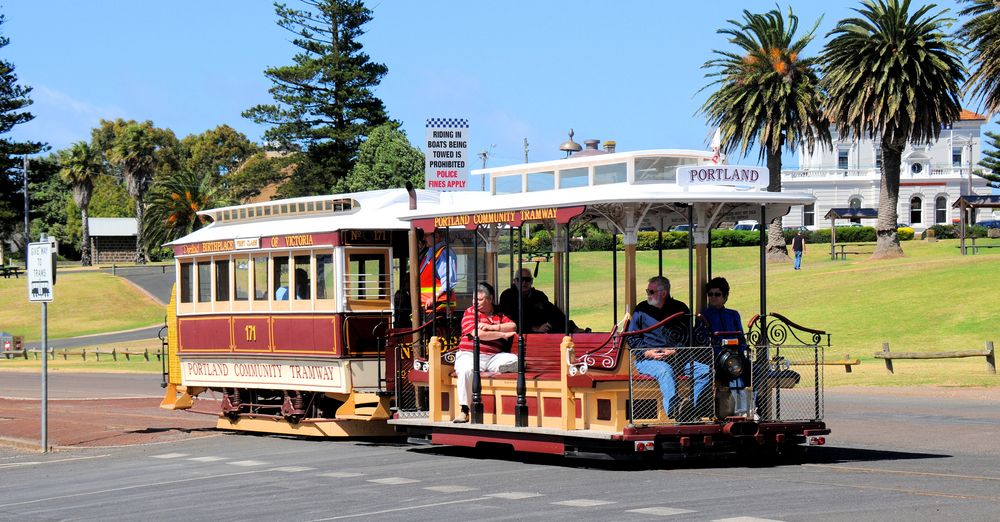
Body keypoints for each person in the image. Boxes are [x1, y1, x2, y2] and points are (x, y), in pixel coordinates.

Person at [626, 275, 710, 419]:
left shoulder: (680, 308)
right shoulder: (642, 309)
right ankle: (675, 409)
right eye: (647, 291)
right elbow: (631, 337)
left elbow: (689, 337)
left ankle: (691, 410)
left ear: (663, 293)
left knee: (705, 370)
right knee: (665, 369)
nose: (648, 294)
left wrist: (674, 350)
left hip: (677, 359)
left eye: (651, 292)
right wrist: (648, 352)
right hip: (648, 360)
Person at [453, 282, 518, 423]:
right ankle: (464, 409)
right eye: (474, 299)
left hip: (493, 357)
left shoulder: (499, 314)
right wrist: (502, 335)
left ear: (490, 299)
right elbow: (478, 334)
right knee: (465, 370)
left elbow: (513, 326)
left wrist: (493, 327)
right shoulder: (470, 312)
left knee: (515, 360)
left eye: (480, 300)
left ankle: (496, 368)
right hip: (470, 355)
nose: (475, 302)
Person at [700, 277, 749, 416]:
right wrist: (722, 354)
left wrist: (741, 351)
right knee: (732, 369)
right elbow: (702, 340)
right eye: (710, 294)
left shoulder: (733, 315)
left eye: (717, 294)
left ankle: (751, 407)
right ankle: (740, 409)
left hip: (735, 356)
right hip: (717, 357)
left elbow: (741, 339)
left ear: (725, 297)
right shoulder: (704, 316)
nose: (713, 297)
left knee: (753, 369)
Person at [498, 268, 587, 334]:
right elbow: (509, 320)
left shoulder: (539, 296)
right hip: (520, 336)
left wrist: (572, 327)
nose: (524, 283)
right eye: (520, 279)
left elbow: (554, 313)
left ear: (532, 281)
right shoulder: (507, 296)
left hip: (542, 333)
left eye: (527, 280)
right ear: (515, 281)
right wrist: (534, 328)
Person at [418, 229, 458, 311]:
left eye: (426, 235)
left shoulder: (444, 253)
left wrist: (435, 296)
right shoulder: (430, 253)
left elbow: (448, 280)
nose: (423, 238)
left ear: (436, 236)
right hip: (430, 306)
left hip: (438, 306)